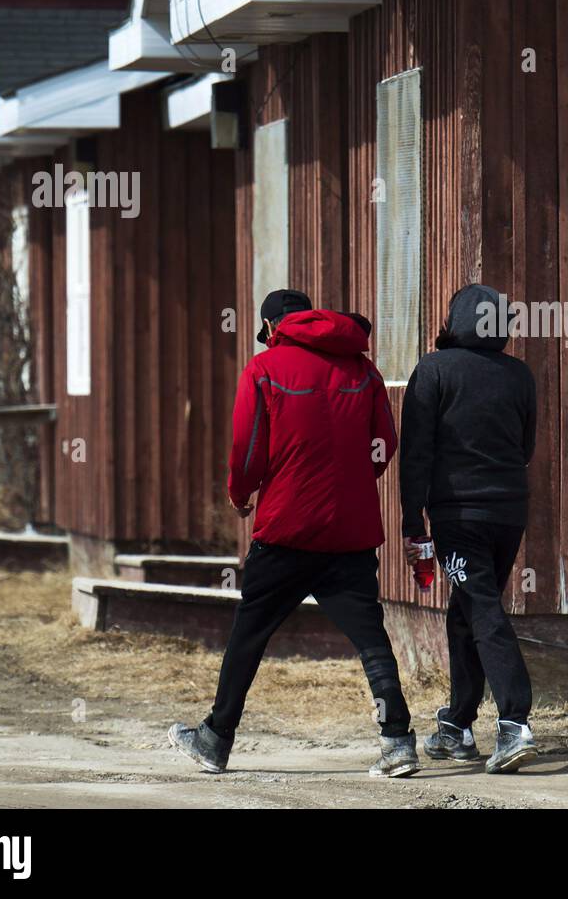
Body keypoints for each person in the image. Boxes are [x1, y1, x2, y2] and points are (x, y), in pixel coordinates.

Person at [170, 290, 419, 778]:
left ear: (270, 326)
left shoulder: (264, 370)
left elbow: (248, 450)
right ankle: (398, 743)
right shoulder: (362, 369)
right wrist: (350, 482)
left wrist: (240, 494)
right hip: (350, 532)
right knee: (370, 637)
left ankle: (215, 739)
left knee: (250, 633)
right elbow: (383, 443)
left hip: (285, 529)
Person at [400, 283, 538, 774]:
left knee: (480, 610)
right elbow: (525, 447)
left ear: (455, 320)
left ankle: (515, 722)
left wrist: (412, 521)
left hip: (459, 517)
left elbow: (416, 455)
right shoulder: (519, 375)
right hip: (508, 513)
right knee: (466, 611)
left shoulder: (433, 371)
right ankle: (457, 725)